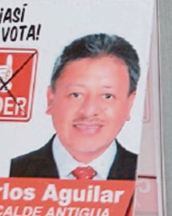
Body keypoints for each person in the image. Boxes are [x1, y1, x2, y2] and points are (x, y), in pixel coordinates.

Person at [10, 33, 140, 180]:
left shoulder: (145, 175)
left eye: (107, 96)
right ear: (50, 99)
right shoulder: (11, 172)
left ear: (129, 104)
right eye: (76, 95)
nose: (89, 111)